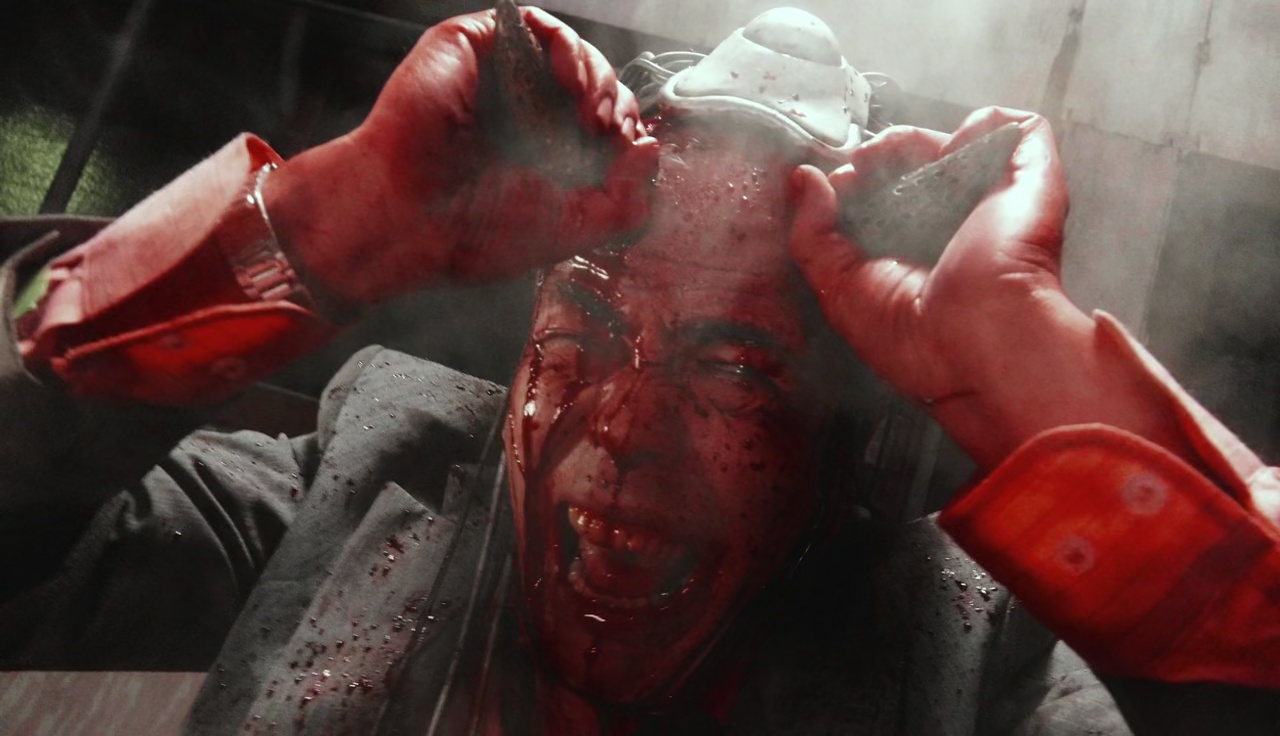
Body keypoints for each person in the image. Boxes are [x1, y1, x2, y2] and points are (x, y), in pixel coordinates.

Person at [1, 5, 1276, 734]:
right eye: (585, 336)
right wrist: (307, 230)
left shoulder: (972, 655)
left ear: (837, 446)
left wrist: (1031, 361)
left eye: (735, 371)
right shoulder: (368, 463)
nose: (622, 425)